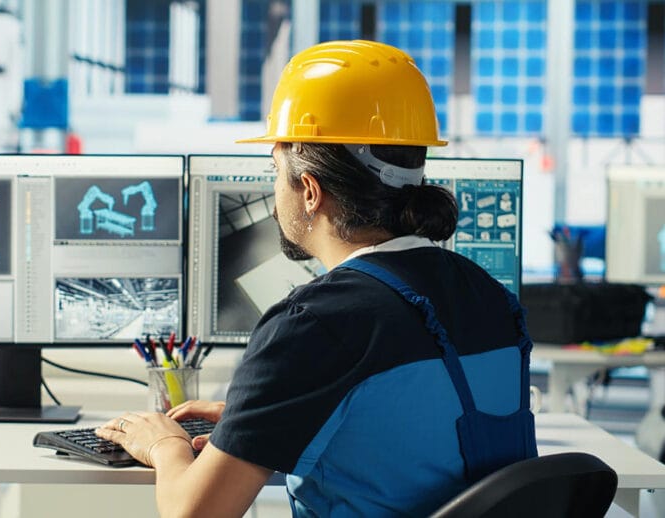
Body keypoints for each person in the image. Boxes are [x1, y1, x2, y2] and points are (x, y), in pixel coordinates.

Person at [96, 40, 537, 517]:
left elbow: (194, 513)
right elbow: (420, 450)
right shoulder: (490, 296)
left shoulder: (312, 324)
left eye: (274, 171)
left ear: (309, 190)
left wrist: (164, 444)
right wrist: (270, 422)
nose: (273, 189)